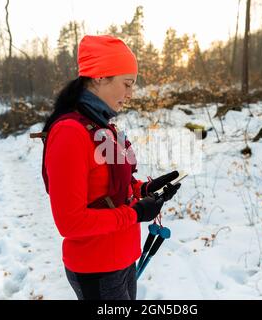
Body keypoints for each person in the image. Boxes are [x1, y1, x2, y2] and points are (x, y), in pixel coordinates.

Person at [40, 35, 181, 300]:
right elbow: (70, 223)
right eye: (126, 84)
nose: (130, 94)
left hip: (123, 259)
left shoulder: (103, 127)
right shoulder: (70, 133)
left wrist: (146, 189)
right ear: (99, 77)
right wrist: (136, 214)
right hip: (96, 267)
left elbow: (111, 191)